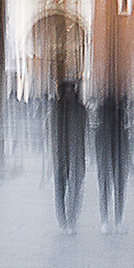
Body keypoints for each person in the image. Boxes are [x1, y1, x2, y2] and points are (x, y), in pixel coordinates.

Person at [51, 77, 87, 233]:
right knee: (66, 188)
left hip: (70, 154)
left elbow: (85, 132)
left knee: (67, 188)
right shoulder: (62, 109)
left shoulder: (76, 109)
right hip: (66, 154)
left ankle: (67, 220)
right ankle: (67, 220)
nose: (70, 93)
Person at [94, 93, 129, 232]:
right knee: (115, 190)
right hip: (116, 160)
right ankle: (116, 221)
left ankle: (106, 221)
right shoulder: (118, 128)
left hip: (109, 161)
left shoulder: (102, 128)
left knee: (106, 190)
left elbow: (97, 148)